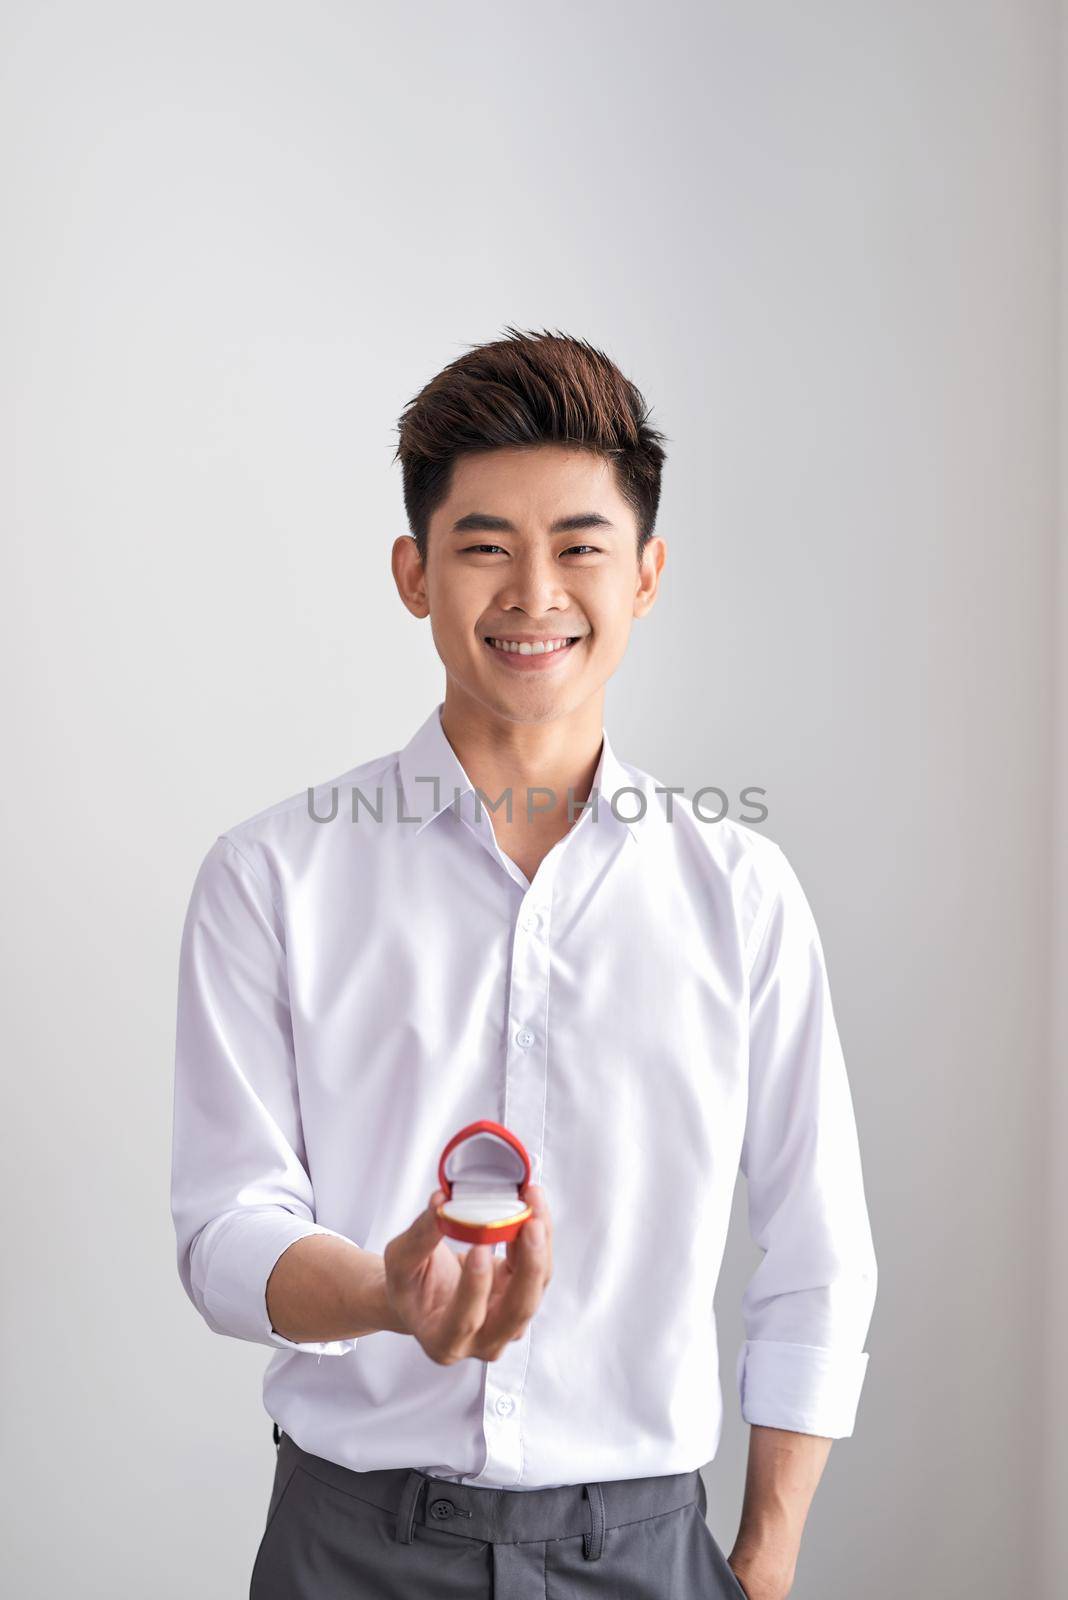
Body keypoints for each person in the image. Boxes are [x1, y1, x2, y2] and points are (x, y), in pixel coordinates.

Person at [170, 327, 877, 1600]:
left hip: (653, 1552)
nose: (534, 592)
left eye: (582, 547)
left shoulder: (742, 895)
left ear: (648, 574)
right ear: (413, 572)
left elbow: (820, 1251)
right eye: (485, 545)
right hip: (349, 1551)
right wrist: (388, 1293)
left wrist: (764, 1561)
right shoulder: (271, 876)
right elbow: (225, 1233)